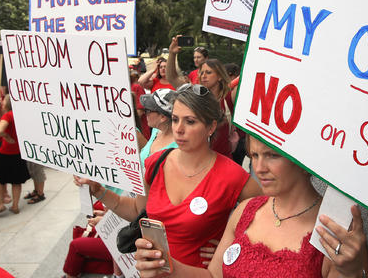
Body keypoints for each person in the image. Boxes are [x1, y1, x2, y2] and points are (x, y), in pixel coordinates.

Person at [75, 84, 262, 268]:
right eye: (175, 119)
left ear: (211, 126)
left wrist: (232, 248)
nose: (178, 129)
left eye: (190, 121)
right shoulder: (156, 163)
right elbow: (136, 211)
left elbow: (272, 219)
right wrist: (99, 191)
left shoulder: (233, 176)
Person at [135, 136, 368, 277]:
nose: (259, 167)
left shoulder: (335, 229)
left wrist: (350, 271)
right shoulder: (246, 210)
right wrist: (166, 266)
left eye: (271, 155)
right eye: (254, 155)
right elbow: (214, 275)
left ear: (303, 160)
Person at [0, 95, 30, 217]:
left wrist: (7, 137)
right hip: (18, 151)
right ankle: (15, 205)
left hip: (6, 151)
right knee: (16, 180)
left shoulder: (8, 116)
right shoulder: (18, 114)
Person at [139, 88, 177, 165]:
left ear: (163, 117)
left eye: (147, 110)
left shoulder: (178, 146)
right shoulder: (156, 130)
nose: (144, 113)